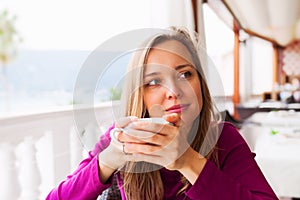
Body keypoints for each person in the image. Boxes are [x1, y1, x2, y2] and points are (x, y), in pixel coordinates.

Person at [46, 27, 278, 200]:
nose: (174, 91)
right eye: (155, 81)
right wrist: (109, 160)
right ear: (139, 94)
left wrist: (188, 161)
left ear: (201, 84)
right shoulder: (119, 141)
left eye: (185, 74)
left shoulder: (222, 139)